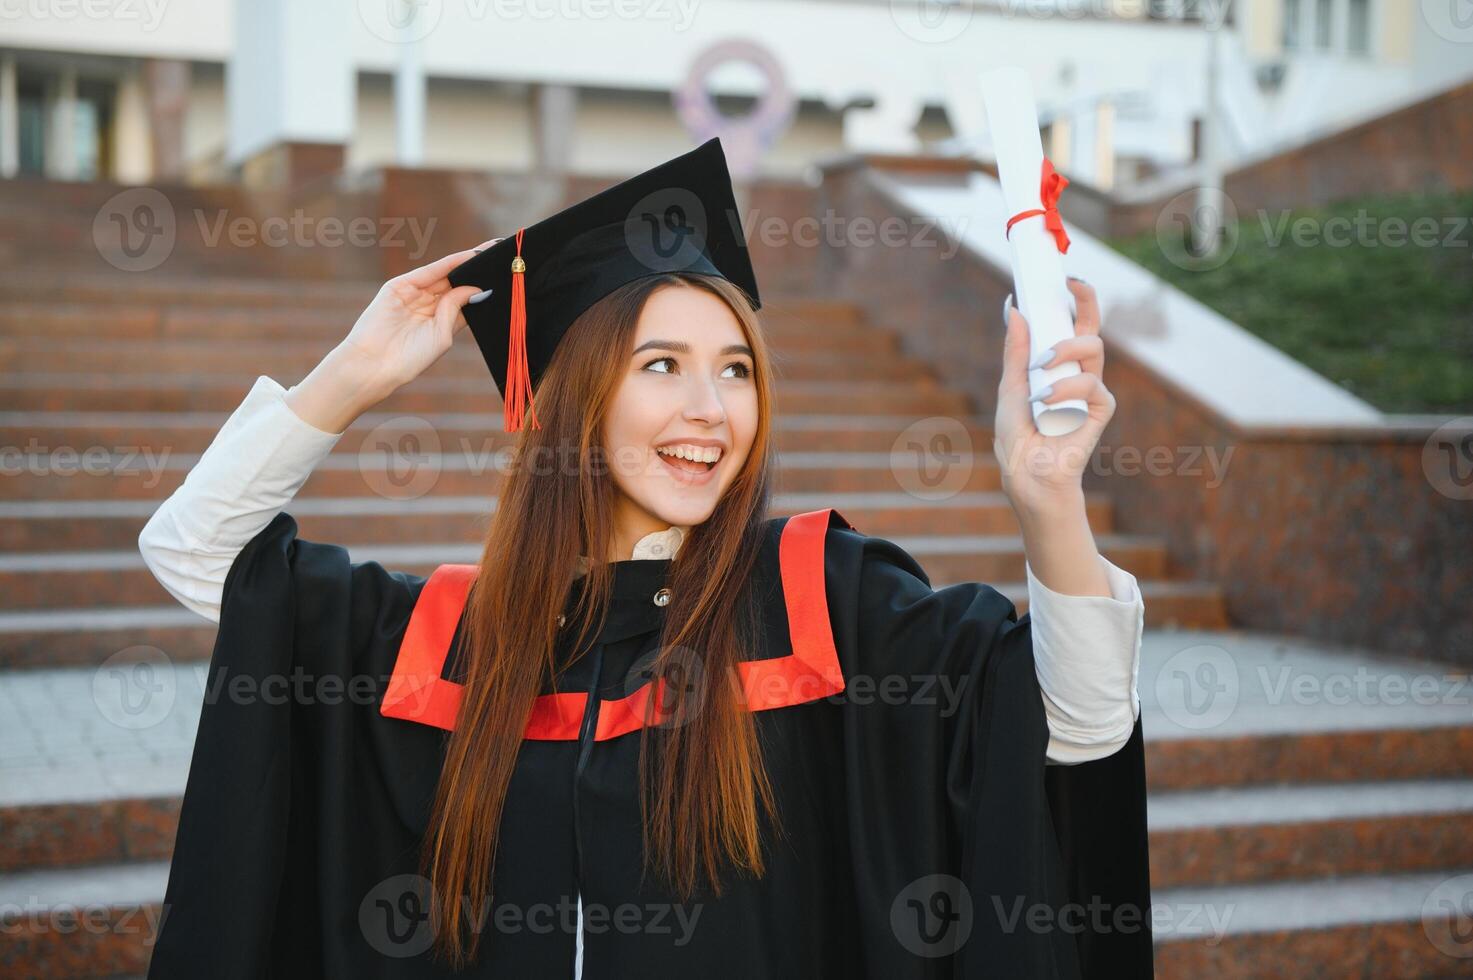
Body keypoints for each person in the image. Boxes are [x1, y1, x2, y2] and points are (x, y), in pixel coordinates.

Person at [138, 138, 1152, 978]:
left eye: (736, 370)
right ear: (574, 401)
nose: (711, 409)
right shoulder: (449, 640)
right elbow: (196, 555)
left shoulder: (820, 606)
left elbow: (1080, 717)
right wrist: (350, 376)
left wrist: (1047, 499)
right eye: (661, 365)